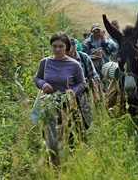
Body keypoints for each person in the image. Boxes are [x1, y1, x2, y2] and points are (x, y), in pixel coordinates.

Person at [34, 31, 86, 167]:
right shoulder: (44, 62)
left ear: (66, 48)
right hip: (49, 108)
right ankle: (53, 169)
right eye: (55, 46)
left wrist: (73, 91)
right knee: (50, 142)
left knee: (69, 142)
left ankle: (69, 168)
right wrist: (43, 84)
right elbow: (37, 78)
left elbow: (82, 83)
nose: (57, 49)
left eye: (61, 46)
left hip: (68, 108)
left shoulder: (74, 65)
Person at [68, 37, 100, 128]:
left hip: (83, 95)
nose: (68, 55)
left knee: (86, 122)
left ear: (74, 49)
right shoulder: (61, 59)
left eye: (70, 52)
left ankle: (85, 138)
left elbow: (93, 77)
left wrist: (96, 95)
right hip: (67, 96)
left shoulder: (84, 58)